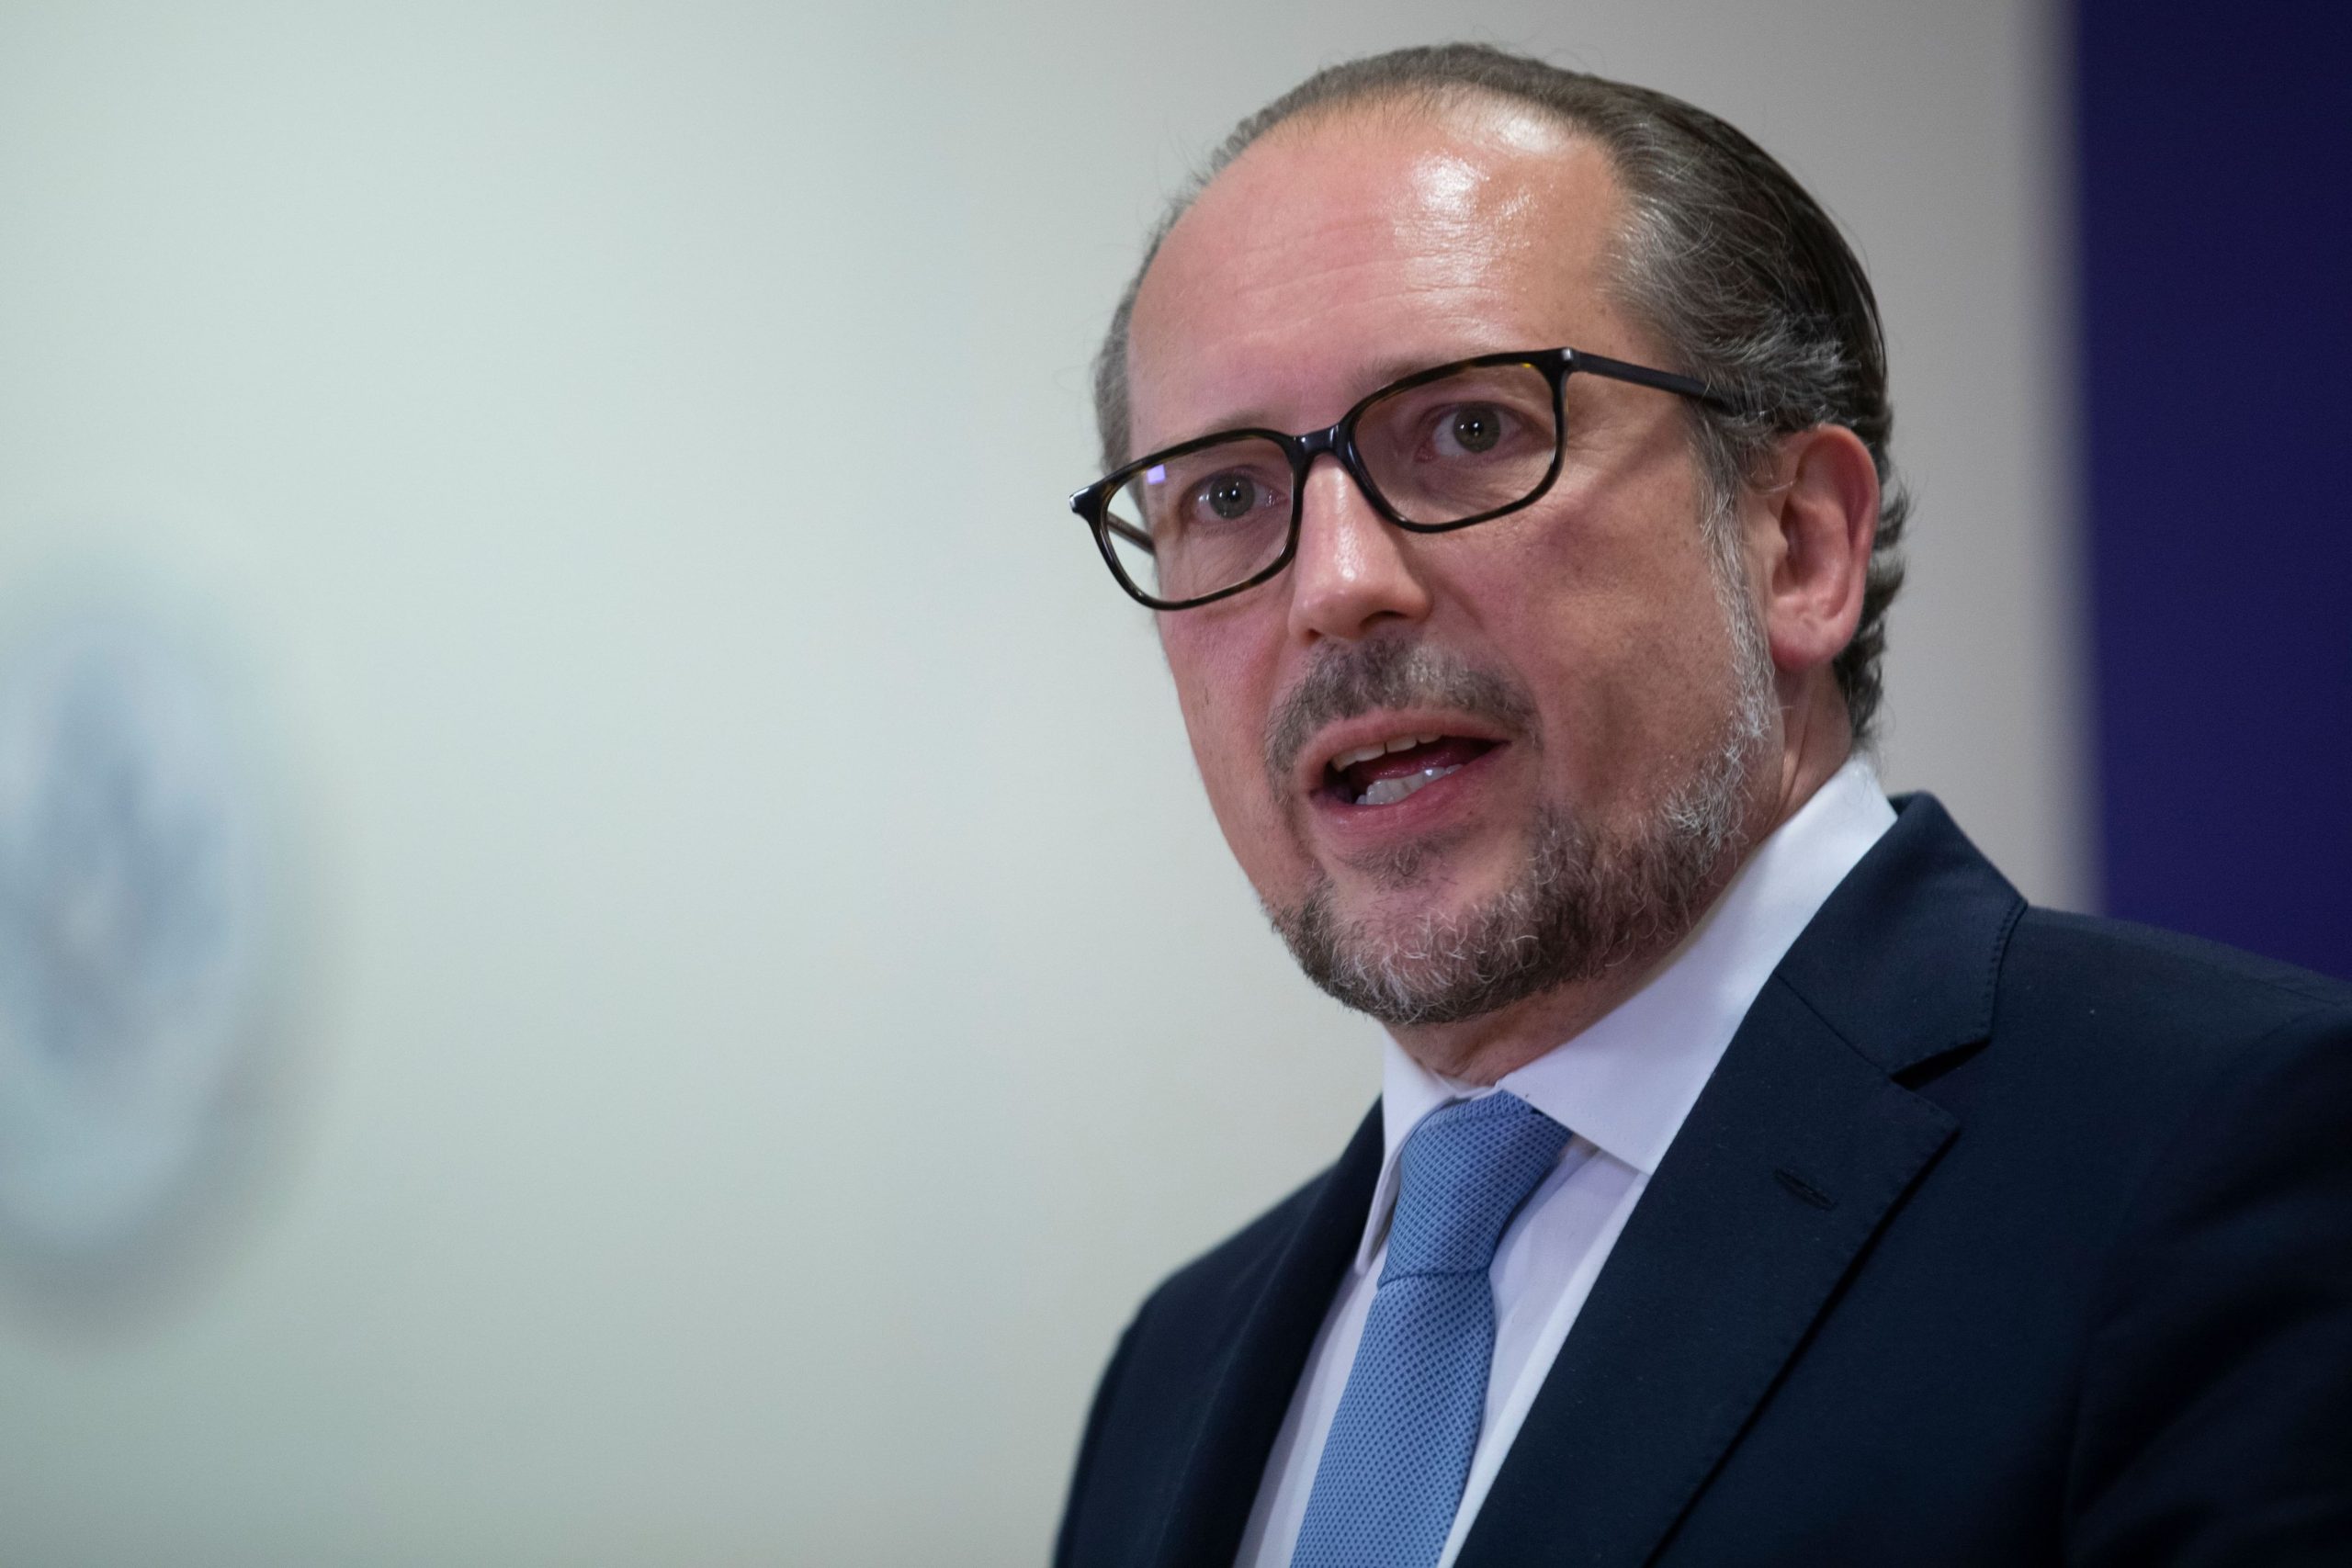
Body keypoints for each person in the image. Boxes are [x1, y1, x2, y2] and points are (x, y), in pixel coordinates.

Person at [1051, 43, 2352, 1568]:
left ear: (1799, 543)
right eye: (1224, 495)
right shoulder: (1171, 1367)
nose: (1336, 586)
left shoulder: (2236, 1152)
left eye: (1469, 430)